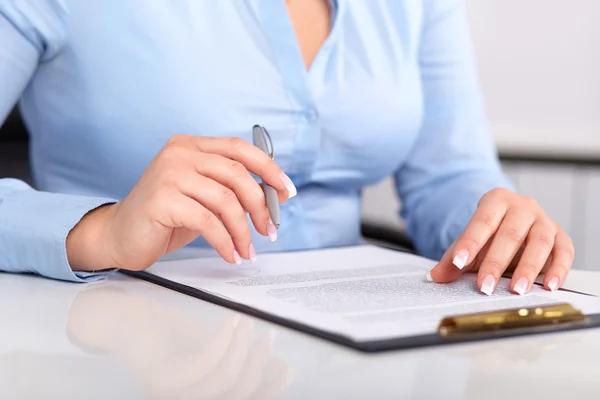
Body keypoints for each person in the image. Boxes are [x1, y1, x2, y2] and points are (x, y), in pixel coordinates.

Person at [0, 0, 573, 296]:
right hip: (115, 341)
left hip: (362, 345)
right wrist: (101, 230)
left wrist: (496, 234)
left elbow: (449, 177)